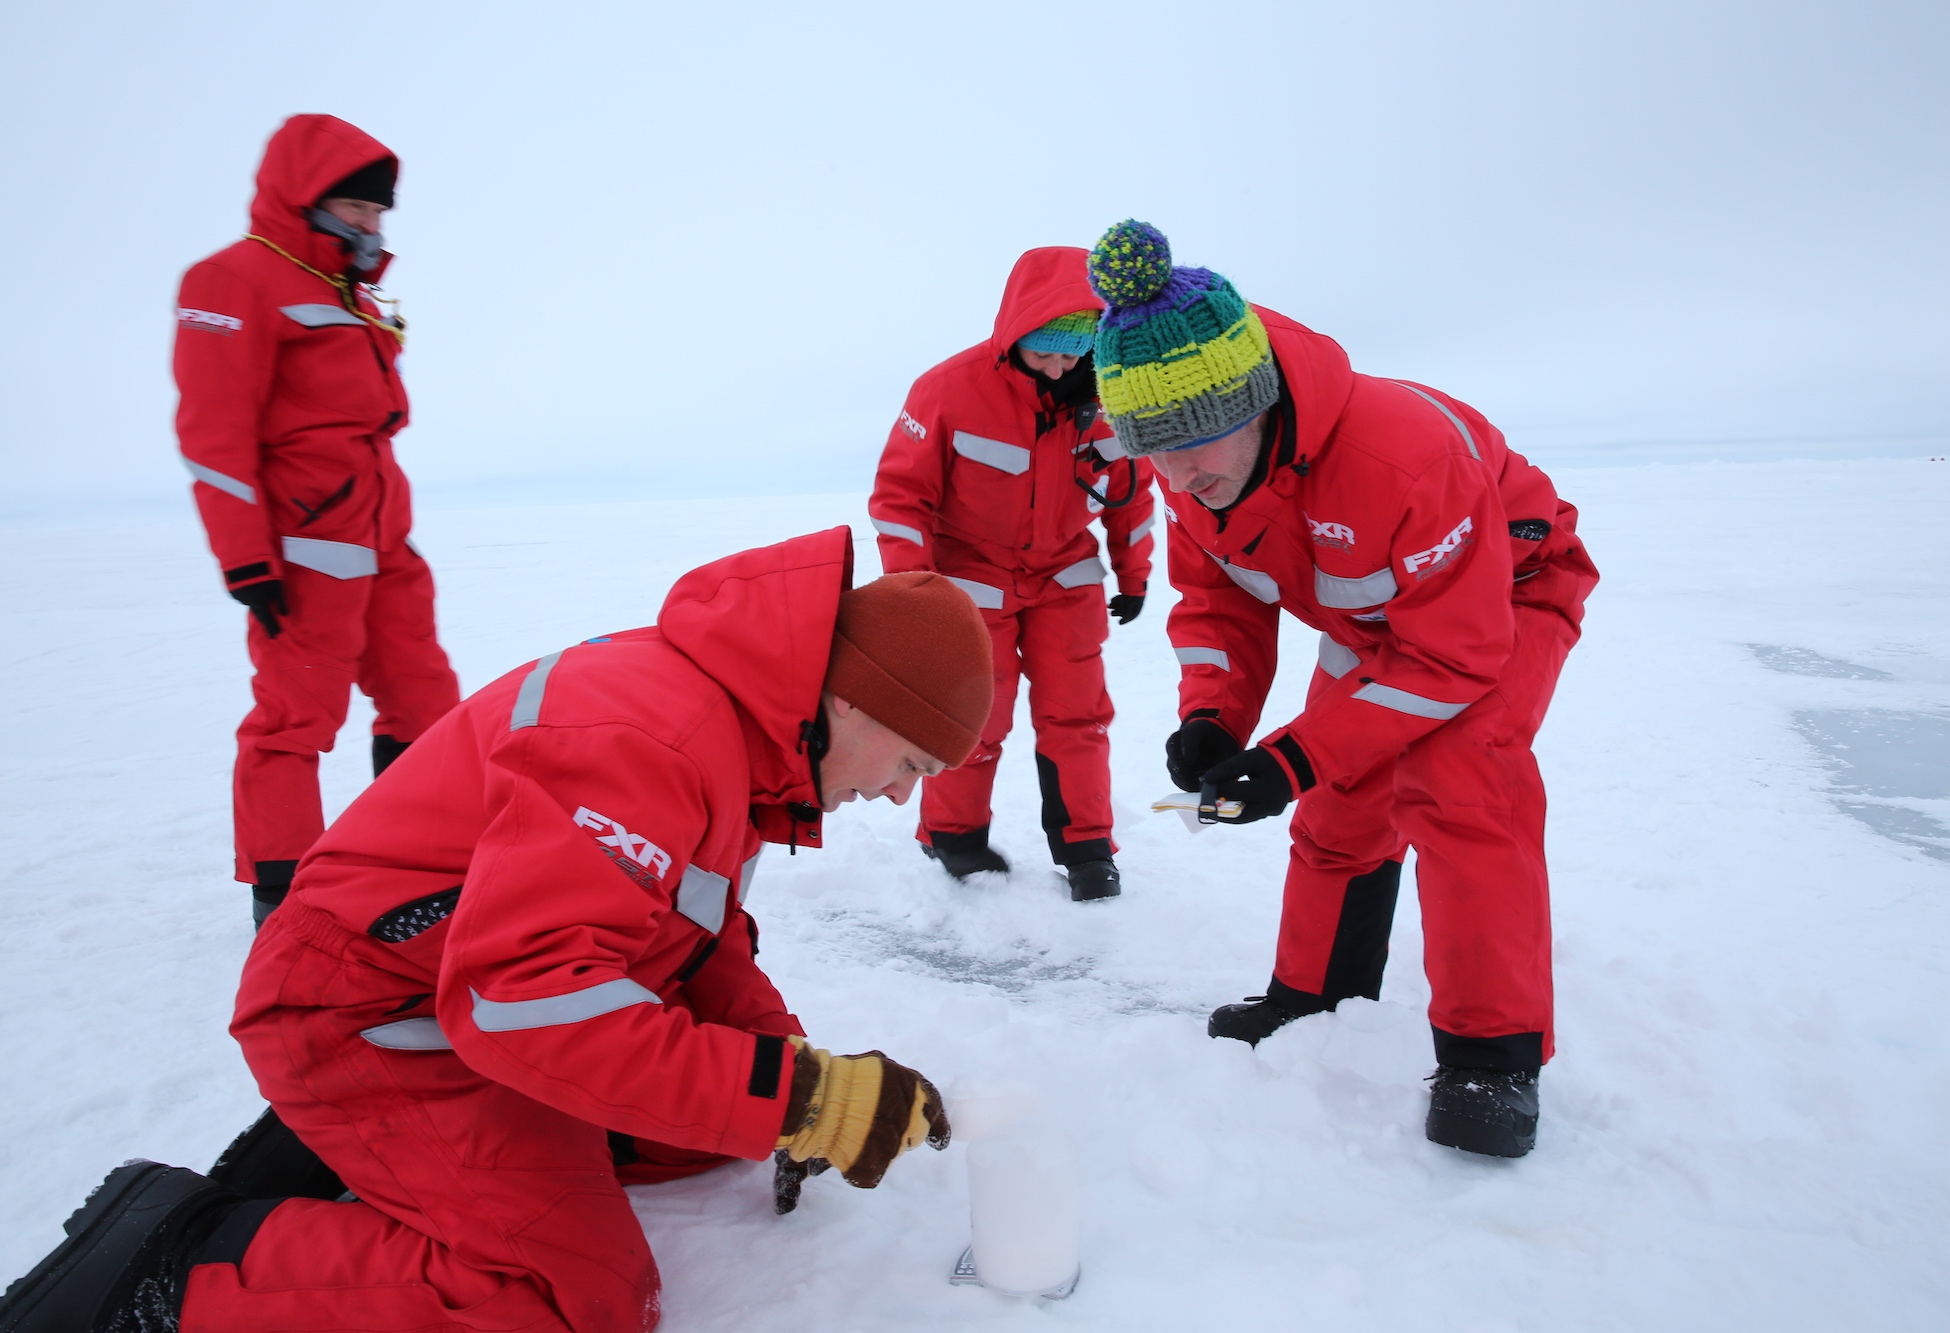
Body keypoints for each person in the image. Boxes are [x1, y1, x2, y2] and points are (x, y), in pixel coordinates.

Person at [0, 529, 979, 1333]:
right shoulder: (652, 738)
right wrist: (798, 1097)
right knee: (566, 1297)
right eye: (910, 759)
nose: (899, 795)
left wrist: (786, 1074)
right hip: (367, 1011)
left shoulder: (738, 743)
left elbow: (700, 939)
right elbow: (525, 998)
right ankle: (177, 1256)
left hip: (458, 1002)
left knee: (703, 1136)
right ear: (853, 698)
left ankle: (387, 1162)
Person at [1086, 221, 1599, 1157]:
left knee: (1458, 780)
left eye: (1195, 444)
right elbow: (1218, 604)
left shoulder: (1404, 458)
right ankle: (1315, 996)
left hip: (1501, 596)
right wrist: (1212, 714)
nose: (1177, 476)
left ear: (1258, 398)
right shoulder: (1195, 470)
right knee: (1342, 799)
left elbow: (1452, 658)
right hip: (1372, 621)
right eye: (1152, 452)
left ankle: (1492, 1057)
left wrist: (1293, 754)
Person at [173, 113, 460, 926]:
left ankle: (415, 867)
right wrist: (246, 562)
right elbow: (213, 437)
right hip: (304, 548)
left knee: (427, 703)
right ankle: (286, 902)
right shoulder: (233, 281)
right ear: (305, 198)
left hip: (383, 537)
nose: (372, 224)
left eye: (379, 213)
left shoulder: (345, 288)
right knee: (295, 720)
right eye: (357, 209)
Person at [870, 246, 1155, 902]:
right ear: (1016, 332)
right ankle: (954, 836)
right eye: (1045, 351)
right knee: (975, 717)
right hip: (970, 583)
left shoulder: (1107, 393)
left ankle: (1087, 848)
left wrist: (1133, 574)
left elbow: (1133, 492)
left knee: (1077, 716)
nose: (1060, 366)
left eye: (1072, 351)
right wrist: (914, 593)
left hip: (1066, 577)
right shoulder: (946, 389)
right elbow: (899, 499)